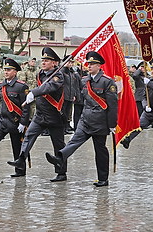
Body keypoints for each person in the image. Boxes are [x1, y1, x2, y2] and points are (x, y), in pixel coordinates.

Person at [45, 51, 118, 187]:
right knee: (73, 142)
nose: (89, 66)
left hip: (100, 121)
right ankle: (59, 158)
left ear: (99, 66)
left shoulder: (107, 82)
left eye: (92, 64)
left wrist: (112, 124)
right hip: (85, 119)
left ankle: (103, 178)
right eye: (88, 64)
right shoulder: (84, 80)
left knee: (100, 150)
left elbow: (113, 105)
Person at [7, 47, 67, 182]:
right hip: (40, 114)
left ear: (54, 63)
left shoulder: (59, 75)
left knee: (58, 144)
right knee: (28, 136)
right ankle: (21, 160)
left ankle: (61, 173)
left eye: (47, 60)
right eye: (43, 60)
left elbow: (49, 87)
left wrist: (34, 93)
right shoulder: (40, 74)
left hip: (54, 115)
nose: (43, 62)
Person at [120, 58, 153, 168]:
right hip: (149, 111)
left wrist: (150, 83)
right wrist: (145, 106)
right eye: (151, 69)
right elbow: (144, 96)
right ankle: (127, 139)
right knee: (139, 125)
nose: (152, 71)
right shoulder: (149, 80)